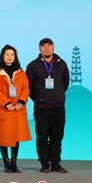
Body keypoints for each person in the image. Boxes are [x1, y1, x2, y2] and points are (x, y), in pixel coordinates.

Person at [26, 38, 70, 173]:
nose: (47, 48)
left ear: (53, 48)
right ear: (39, 49)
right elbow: (28, 87)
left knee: (57, 136)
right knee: (42, 136)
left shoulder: (61, 64)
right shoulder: (33, 65)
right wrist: (39, 98)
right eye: (43, 46)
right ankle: (44, 163)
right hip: (42, 107)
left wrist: (58, 95)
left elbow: (65, 83)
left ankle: (55, 163)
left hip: (58, 106)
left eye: (49, 45)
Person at [0, 45, 31, 173]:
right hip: (4, 109)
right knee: (3, 137)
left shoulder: (21, 72)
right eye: (7, 54)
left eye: (12, 54)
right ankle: (6, 163)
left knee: (15, 136)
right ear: (2, 56)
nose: (9, 57)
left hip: (17, 109)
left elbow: (25, 88)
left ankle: (14, 163)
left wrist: (21, 102)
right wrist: (6, 103)